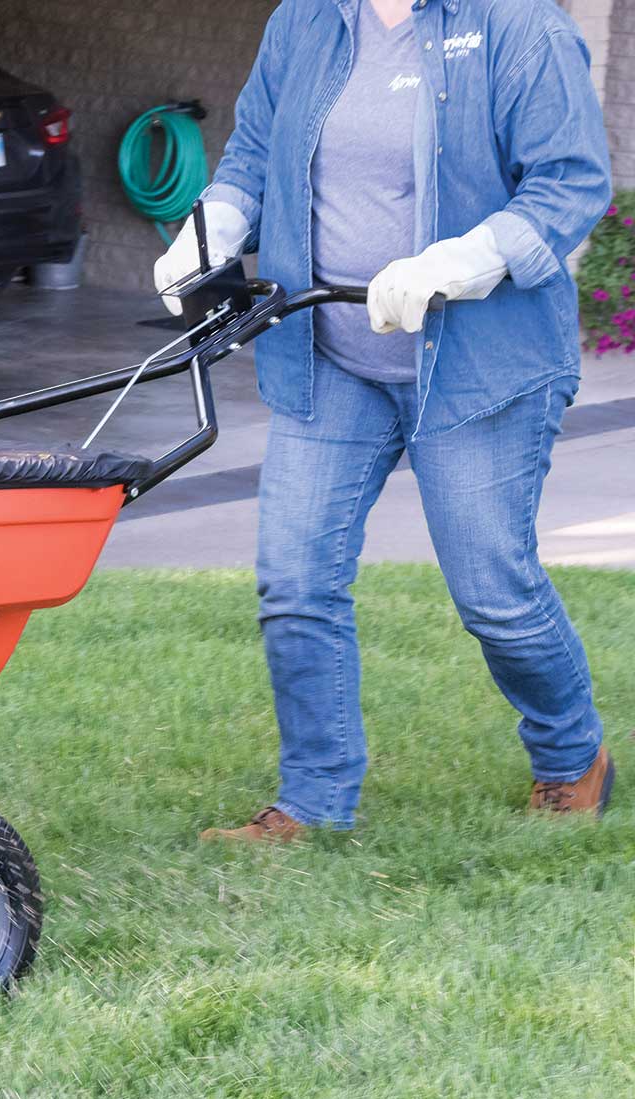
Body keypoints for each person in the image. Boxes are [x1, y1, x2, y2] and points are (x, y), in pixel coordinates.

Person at [154, 0, 616, 842]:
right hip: (332, 356)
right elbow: (253, 152)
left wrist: (469, 258)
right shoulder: (307, 20)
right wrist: (213, 226)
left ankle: (571, 755)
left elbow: (571, 182)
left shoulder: (517, 26)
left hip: (479, 366)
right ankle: (314, 802)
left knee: (494, 595)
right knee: (296, 581)